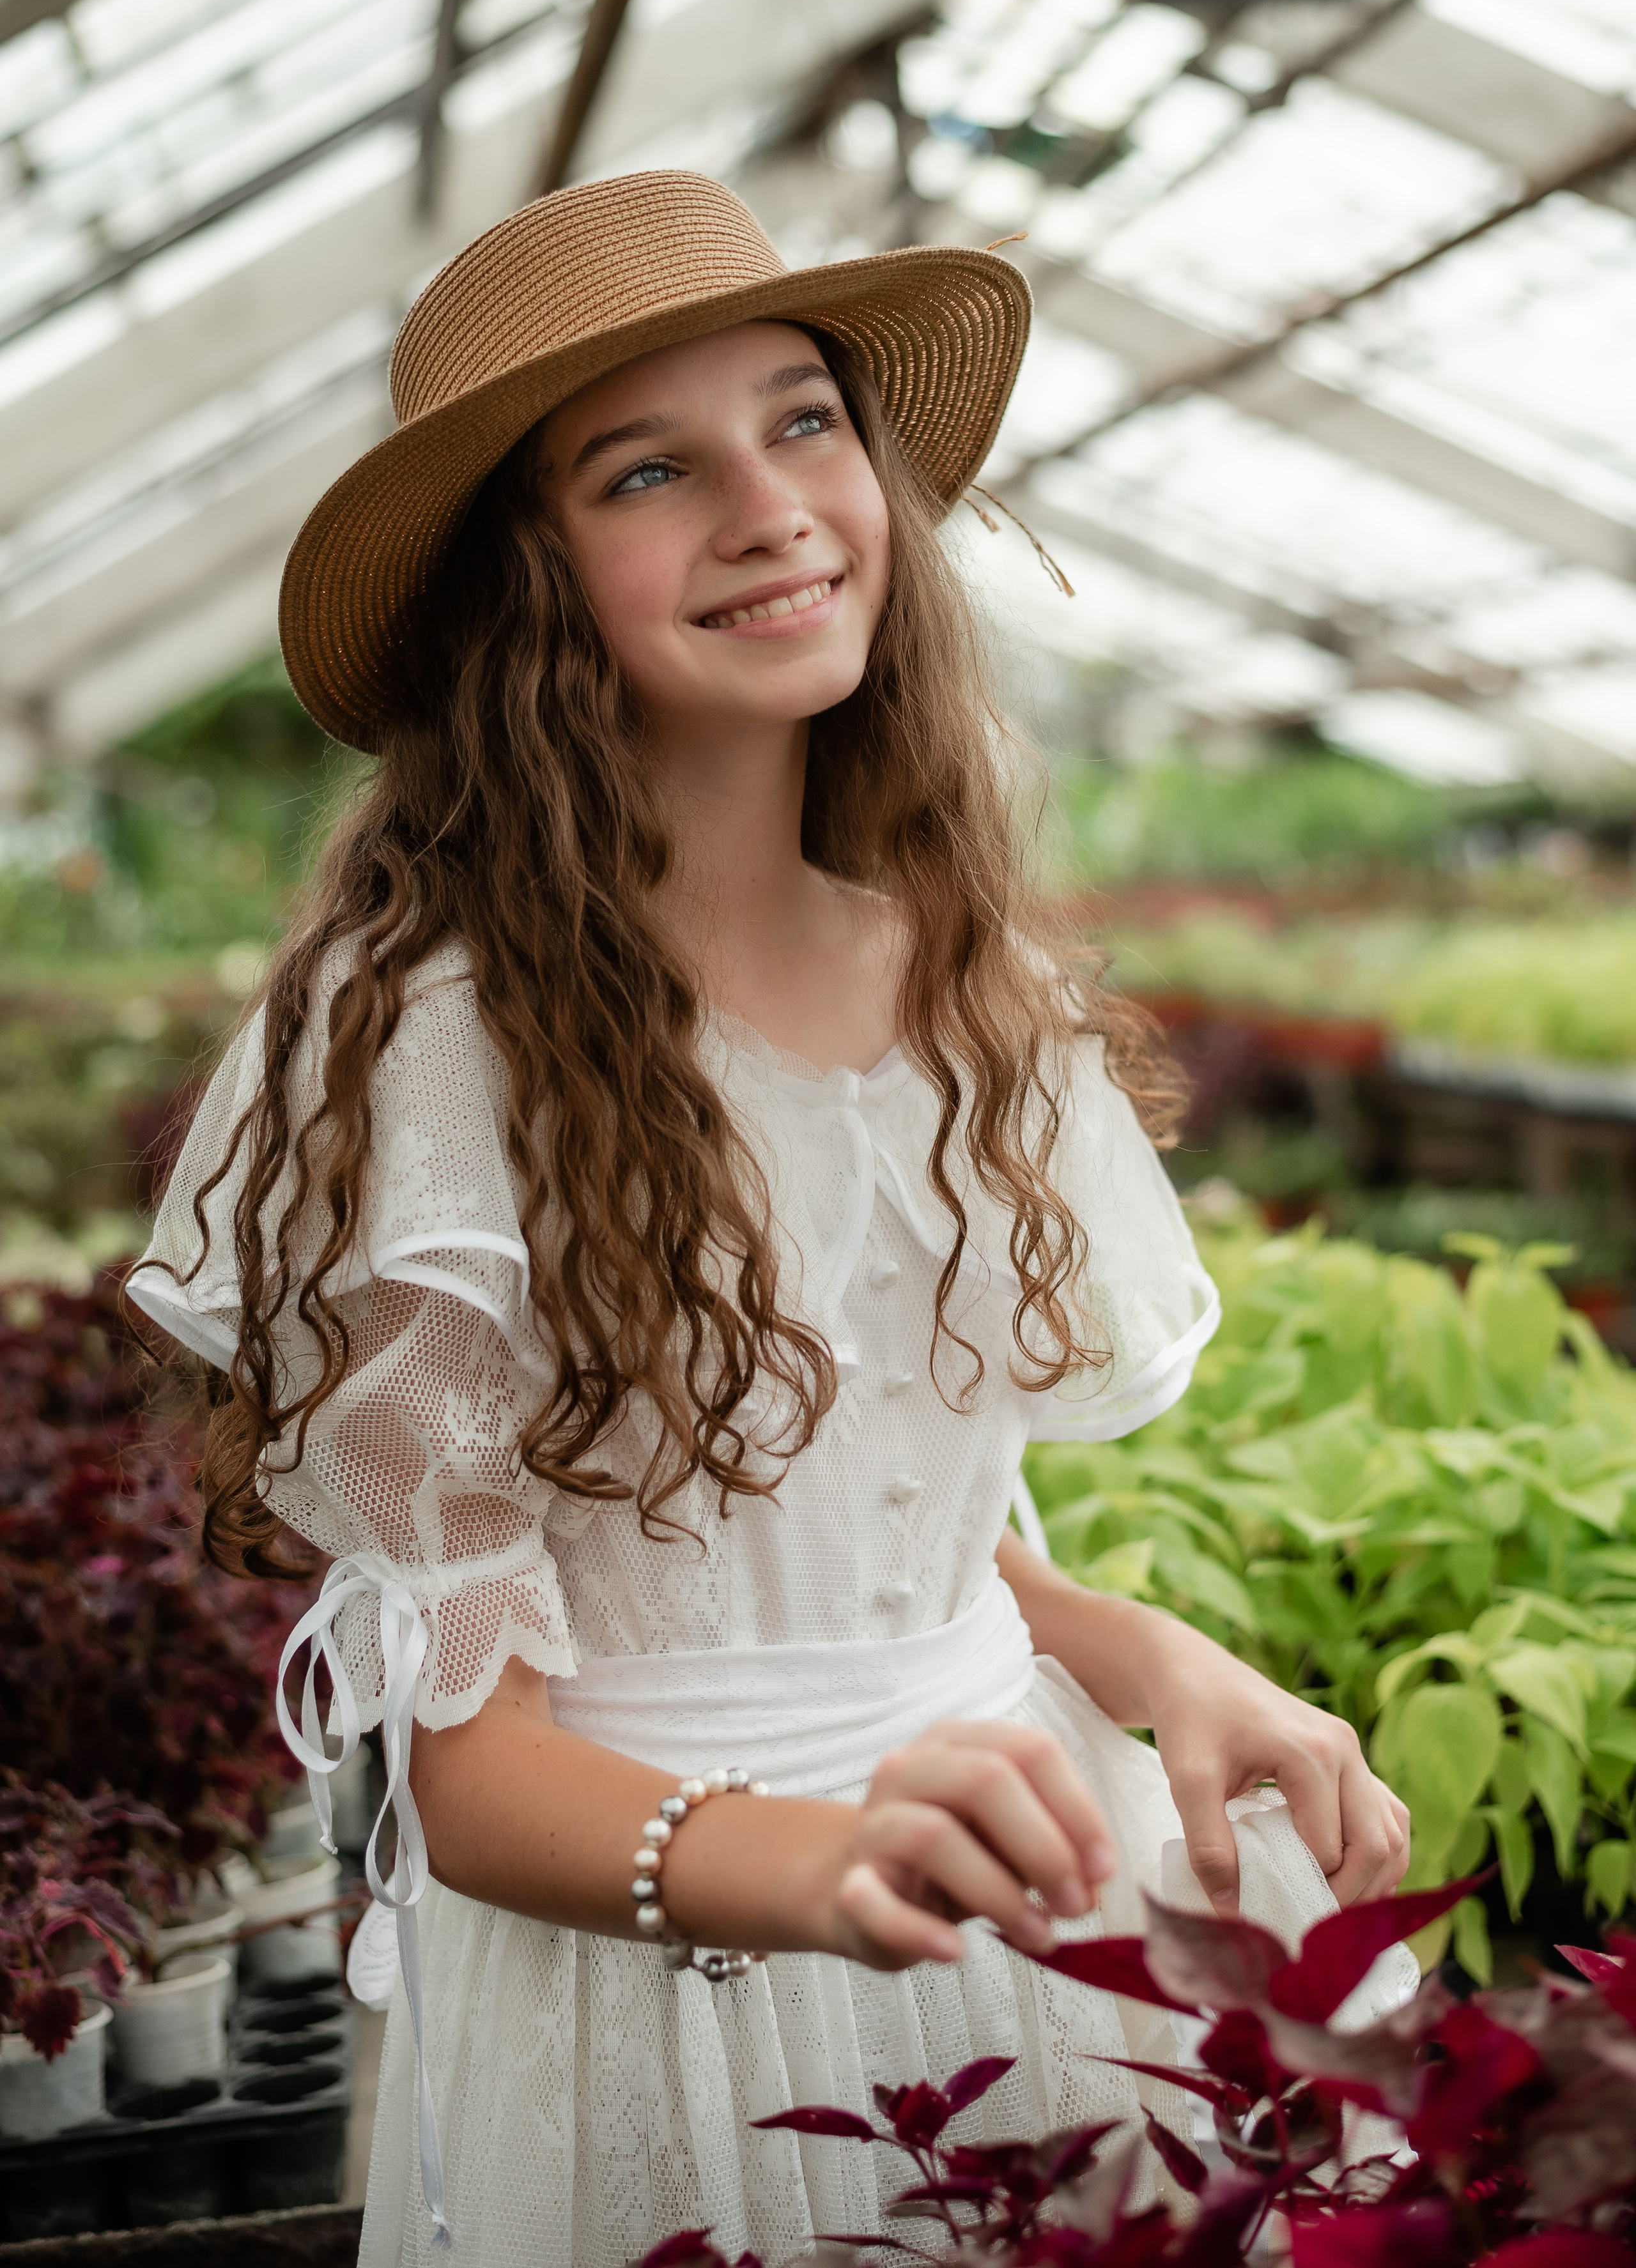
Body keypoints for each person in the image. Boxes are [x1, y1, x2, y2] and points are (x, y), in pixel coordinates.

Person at [132, 171, 1410, 2268]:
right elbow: (472, 1770)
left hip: (1035, 1865)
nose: (770, 504)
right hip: (699, 1974)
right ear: (520, 582)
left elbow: (843, 1516)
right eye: (651, 468)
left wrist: (1159, 1654)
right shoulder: (430, 1049)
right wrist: (822, 1873)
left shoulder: (958, 970)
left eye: (805, 418)